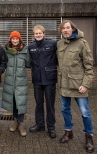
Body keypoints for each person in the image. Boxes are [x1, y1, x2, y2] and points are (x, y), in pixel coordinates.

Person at [57, 20, 94, 153]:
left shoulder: (82, 43)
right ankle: (68, 131)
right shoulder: (60, 44)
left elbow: (89, 66)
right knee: (65, 110)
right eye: (63, 28)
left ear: (72, 29)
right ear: (61, 31)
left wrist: (85, 84)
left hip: (79, 86)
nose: (66, 30)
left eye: (68, 28)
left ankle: (89, 136)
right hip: (64, 85)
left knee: (85, 112)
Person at [28, 25, 58, 138]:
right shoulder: (30, 47)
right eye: (36, 33)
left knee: (50, 104)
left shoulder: (52, 44)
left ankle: (51, 127)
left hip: (50, 79)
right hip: (37, 80)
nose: (38, 35)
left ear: (44, 34)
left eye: (40, 33)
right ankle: (40, 124)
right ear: (34, 35)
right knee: (38, 103)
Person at [1, 31, 30, 137]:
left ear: (19, 39)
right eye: (13, 39)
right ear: (10, 40)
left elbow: (29, 63)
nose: (15, 40)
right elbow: (3, 63)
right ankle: (15, 121)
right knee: (12, 101)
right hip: (9, 81)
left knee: (20, 102)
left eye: (16, 39)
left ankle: (21, 123)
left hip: (21, 82)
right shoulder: (6, 51)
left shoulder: (25, 51)